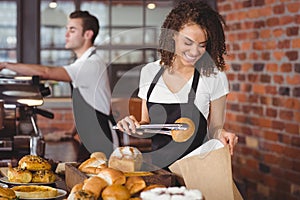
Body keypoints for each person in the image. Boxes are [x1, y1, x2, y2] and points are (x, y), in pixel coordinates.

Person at [116, 0, 238, 169]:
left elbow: (215, 129)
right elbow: (146, 123)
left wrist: (222, 133)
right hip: (160, 171)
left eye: (202, 45)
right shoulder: (150, 72)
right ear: (172, 35)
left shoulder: (214, 76)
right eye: (187, 43)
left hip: (198, 170)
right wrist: (133, 126)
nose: (194, 52)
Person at [0, 11, 114, 161]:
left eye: (72, 30)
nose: (66, 34)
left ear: (88, 34)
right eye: (67, 29)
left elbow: (46, 72)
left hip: (101, 138)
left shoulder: (91, 64)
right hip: (90, 137)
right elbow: (88, 103)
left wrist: (6, 64)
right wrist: (71, 132)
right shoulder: (83, 63)